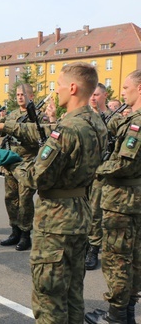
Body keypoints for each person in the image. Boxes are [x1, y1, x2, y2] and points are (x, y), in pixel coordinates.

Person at [0, 62, 107, 323]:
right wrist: (2, 126)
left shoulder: (67, 129)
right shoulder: (95, 123)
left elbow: (37, 177)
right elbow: (44, 131)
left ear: (72, 87)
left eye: (58, 85)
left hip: (56, 220)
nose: (56, 91)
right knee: (72, 292)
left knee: (49, 297)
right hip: (80, 211)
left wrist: (13, 162)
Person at [85, 69, 141, 324]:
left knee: (117, 260)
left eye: (127, 88)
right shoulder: (130, 119)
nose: (123, 92)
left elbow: (124, 163)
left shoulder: (137, 123)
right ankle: (126, 312)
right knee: (134, 259)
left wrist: (95, 168)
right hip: (133, 200)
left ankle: (116, 317)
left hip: (123, 202)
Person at [0, 84, 44, 251]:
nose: (20, 97)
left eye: (23, 94)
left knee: (24, 200)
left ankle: (25, 234)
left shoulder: (36, 116)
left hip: (27, 163)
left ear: (31, 95)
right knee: (10, 197)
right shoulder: (13, 114)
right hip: (11, 161)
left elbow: (38, 137)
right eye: (17, 94)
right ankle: (14, 230)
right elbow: (1, 131)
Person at [85, 83, 118, 271]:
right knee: (84, 208)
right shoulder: (86, 117)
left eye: (96, 94)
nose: (93, 98)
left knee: (96, 210)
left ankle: (94, 247)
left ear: (105, 95)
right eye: (91, 95)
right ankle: (85, 242)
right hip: (85, 170)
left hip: (102, 171)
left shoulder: (114, 119)